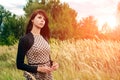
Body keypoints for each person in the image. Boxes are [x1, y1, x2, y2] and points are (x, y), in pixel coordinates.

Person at [16, 9, 59, 80]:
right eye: (39, 17)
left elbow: (47, 58)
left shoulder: (44, 38)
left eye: (44, 19)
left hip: (48, 77)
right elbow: (19, 65)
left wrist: (53, 64)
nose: (42, 20)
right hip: (34, 77)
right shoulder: (25, 39)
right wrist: (38, 69)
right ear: (32, 20)